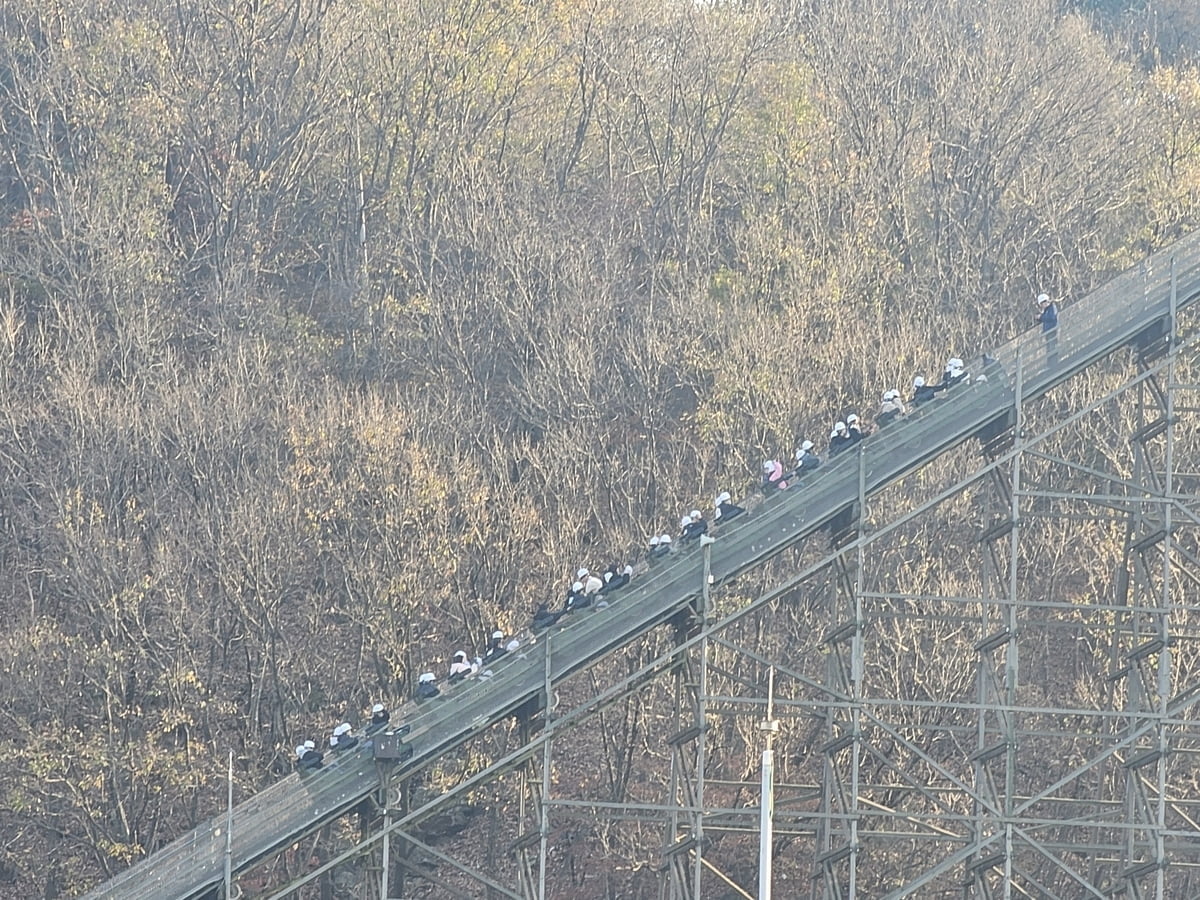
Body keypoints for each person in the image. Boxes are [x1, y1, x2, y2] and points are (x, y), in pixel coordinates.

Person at [1036, 292, 1059, 364]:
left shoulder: (1052, 307)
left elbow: (1051, 317)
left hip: (1052, 331)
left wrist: (1041, 317)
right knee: (1049, 348)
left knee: (1052, 347)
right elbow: (1045, 318)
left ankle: (1053, 363)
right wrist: (1039, 318)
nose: (1043, 305)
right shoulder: (1047, 310)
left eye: (1043, 303)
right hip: (1048, 332)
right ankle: (1050, 363)